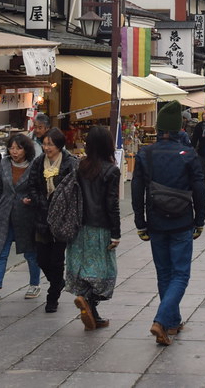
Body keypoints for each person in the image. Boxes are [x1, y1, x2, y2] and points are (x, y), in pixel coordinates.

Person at [132, 101, 205, 346]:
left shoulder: (146, 154)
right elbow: (199, 189)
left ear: (158, 128)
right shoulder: (189, 155)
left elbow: (137, 190)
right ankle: (162, 320)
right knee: (180, 274)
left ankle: (172, 322)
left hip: (155, 221)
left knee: (164, 273)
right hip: (182, 220)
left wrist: (140, 222)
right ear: (178, 128)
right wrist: (199, 220)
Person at [66, 126, 120, 330]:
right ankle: (87, 298)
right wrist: (116, 233)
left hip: (78, 227)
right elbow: (112, 204)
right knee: (104, 271)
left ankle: (92, 312)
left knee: (83, 269)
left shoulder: (80, 166)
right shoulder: (111, 170)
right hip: (100, 228)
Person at [0, 133, 42, 304]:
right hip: (4, 214)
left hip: (26, 216)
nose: (14, 151)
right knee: (0, 251)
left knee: (30, 253)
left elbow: (39, 190)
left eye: (18, 148)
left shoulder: (34, 165)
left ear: (26, 149)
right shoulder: (4, 164)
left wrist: (31, 200)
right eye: (11, 148)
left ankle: (34, 284)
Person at [27, 128, 78, 313]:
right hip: (42, 216)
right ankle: (58, 282)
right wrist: (41, 201)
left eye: (50, 144)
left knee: (57, 260)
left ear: (59, 145)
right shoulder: (38, 162)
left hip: (63, 219)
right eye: (45, 144)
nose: (47, 148)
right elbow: (32, 185)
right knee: (41, 258)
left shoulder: (70, 163)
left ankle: (52, 297)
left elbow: (75, 189)